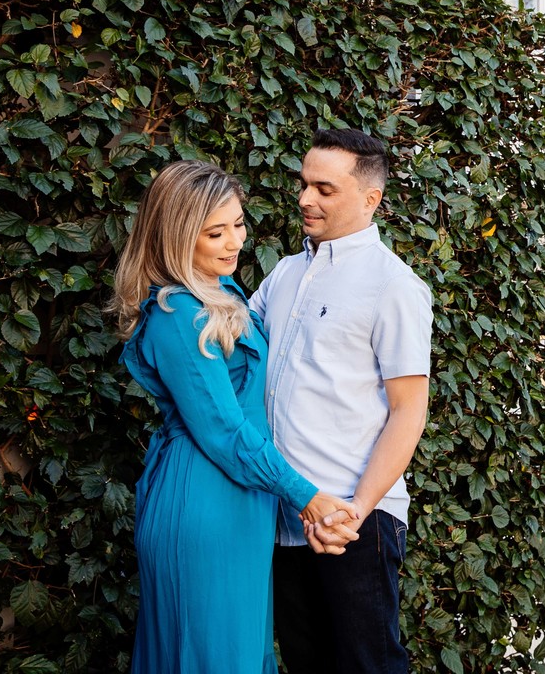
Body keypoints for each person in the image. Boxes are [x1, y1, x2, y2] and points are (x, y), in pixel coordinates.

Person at [111, 160, 359, 674]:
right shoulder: (179, 312)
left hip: (243, 503)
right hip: (203, 501)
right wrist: (307, 498)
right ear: (177, 238)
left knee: (240, 655)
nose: (235, 242)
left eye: (239, 224)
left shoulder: (222, 293)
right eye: (215, 232)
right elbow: (224, 431)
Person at [251, 129, 432, 674]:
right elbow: (235, 339)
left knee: (366, 667)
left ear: (369, 198)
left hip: (356, 520)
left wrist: (357, 509)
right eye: (305, 185)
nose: (306, 199)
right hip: (286, 516)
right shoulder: (284, 272)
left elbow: (409, 410)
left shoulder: (392, 285)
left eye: (324, 189)